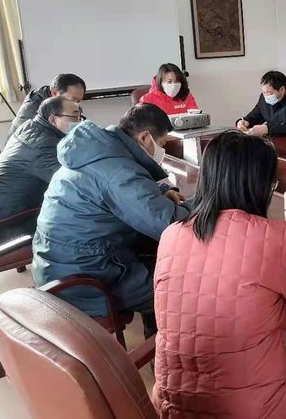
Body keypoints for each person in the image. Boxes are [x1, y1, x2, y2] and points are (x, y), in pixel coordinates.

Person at [153, 131, 286, 418]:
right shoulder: (275, 238)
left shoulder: (171, 235)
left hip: (174, 408)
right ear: (261, 186)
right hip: (251, 411)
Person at [31, 103, 190, 337]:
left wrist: (158, 195)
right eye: (163, 143)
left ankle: (156, 338)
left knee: (157, 256)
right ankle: (164, 350)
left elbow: (116, 197)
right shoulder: (119, 170)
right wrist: (202, 204)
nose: (163, 149)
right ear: (145, 138)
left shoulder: (94, 151)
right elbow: (171, 225)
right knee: (182, 283)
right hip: (88, 281)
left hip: (55, 265)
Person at [0, 96, 82, 243]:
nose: (79, 122)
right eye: (74, 117)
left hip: (5, 217)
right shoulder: (42, 145)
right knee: (90, 223)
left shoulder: (31, 127)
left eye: (79, 116)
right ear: (53, 119)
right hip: (11, 226)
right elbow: (70, 182)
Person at [8, 73, 86, 138]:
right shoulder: (31, 109)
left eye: (79, 101)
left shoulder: (65, 103)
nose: (75, 104)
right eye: (72, 100)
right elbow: (32, 138)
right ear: (54, 93)